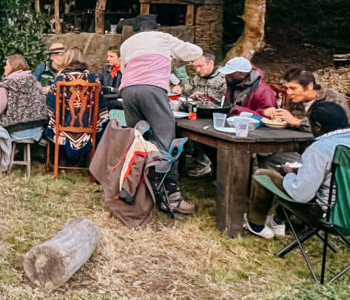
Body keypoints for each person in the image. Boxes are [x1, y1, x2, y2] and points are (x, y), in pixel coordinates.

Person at [245, 101, 350, 238]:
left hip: (333, 217)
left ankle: (256, 225)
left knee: (262, 175)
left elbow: (300, 195)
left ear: (317, 127)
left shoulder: (320, 149)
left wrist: (290, 175)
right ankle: (277, 220)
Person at [119, 14, 203, 214]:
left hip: (128, 91)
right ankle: (170, 197)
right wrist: (171, 55)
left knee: (138, 141)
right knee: (166, 142)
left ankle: (135, 189)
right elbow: (195, 52)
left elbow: (124, 70)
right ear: (155, 28)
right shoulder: (162, 38)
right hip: (153, 89)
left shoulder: (126, 44)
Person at [45, 48, 107, 167]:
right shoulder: (93, 79)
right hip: (88, 129)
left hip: (63, 129)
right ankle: (88, 162)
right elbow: (100, 106)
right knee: (103, 125)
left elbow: (50, 104)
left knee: (48, 125)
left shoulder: (60, 79)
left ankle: (60, 160)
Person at [175, 52, 226, 177]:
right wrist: (179, 89)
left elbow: (224, 102)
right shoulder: (198, 77)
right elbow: (188, 90)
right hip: (198, 113)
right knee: (180, 127)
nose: (197, 70)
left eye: (200, 66)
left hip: (215, 116)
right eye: (195, 67)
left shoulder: (223, 78)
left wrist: (205, 98)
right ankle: (195, 161)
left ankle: (204, 164)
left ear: (211, 63)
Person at [264, 67, 350, 132]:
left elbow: (336, 129)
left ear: (310, 86)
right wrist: (276, 116)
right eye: (287, 88)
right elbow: (288, 121)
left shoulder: (332, 98)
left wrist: (299, 122)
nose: (289, 92)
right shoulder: (294, 100)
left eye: (293, 88)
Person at [0, 55, 52, 135]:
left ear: (13, 67)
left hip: (16, 129)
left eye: (6, 65)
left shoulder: (7, 85)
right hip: (38, 129)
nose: (4, 68)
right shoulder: (34, 82)